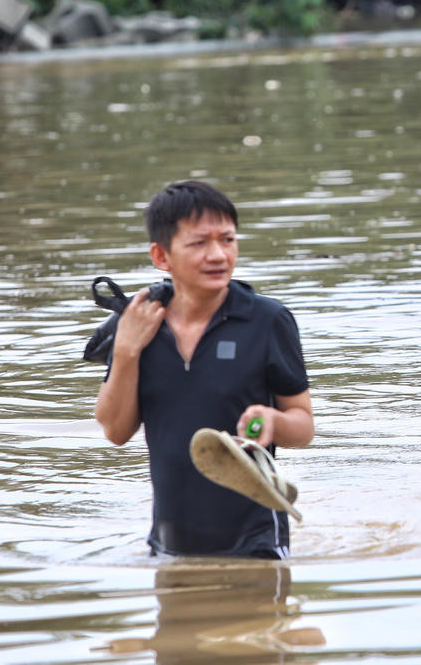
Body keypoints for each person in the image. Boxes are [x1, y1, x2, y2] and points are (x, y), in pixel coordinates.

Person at [92, 180, 313, 558]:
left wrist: (273, 421)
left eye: (227, 240)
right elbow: (115, 430)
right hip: (168, 546)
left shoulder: (267, 320)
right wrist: (127, 350)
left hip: (258, 546)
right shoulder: (136, 323)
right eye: (199, 243)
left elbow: (304, 426)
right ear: (162, 256)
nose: (218, 255)